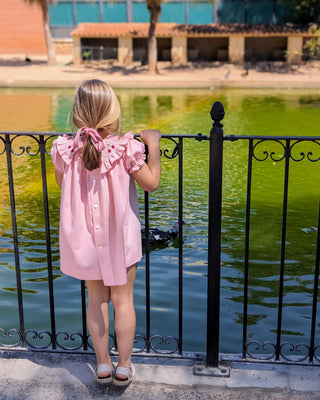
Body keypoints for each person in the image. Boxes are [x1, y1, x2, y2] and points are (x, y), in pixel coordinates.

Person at [51, 79, 161, 386]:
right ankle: (123, 367)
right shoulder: (126, 147)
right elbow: (151, 182)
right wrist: (153, 146)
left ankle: (102, 364)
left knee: (96, 300)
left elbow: (62, 185)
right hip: (120, 239)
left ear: (76, 113)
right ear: (112, 111)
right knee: (123, 300)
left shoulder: (64, 149)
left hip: (84, 240)